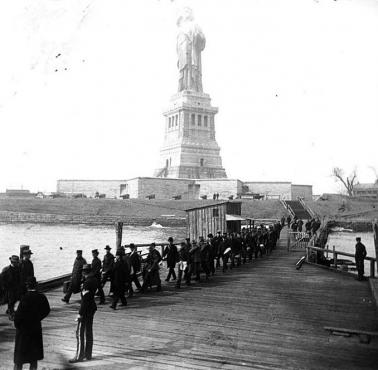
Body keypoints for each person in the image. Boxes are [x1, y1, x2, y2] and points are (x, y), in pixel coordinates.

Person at [13, 276, 50, 370]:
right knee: (34, 358)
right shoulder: (41, 296)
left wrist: (18, 325)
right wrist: (38, 318)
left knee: (19, 359)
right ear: (36, 285)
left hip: (23, 332)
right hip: (35, 329)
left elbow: (18, 317)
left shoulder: (24, 298)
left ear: (27, 286)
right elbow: (47, 310)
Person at [69, 264, 97, 363]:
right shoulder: (94, 280)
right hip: (92, 308)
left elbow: (84, 300)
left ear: (84, 272)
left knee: (80, 333)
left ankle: (79, 356)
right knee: (89, 331)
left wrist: (80, 313)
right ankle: (88, 354)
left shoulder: (87, 283)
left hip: (85, 309)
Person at [2, 255, 21, 320]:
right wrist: (5, 288)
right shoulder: (6, 270)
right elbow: (2, 280)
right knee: (11, 301)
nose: (18, 263)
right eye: (16, 262)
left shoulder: (18, 268)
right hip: (9, 289)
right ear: (12, 262)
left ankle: (9, 310)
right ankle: (11, 315)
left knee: (15, 300)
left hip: (17, 288)